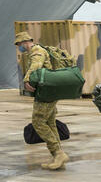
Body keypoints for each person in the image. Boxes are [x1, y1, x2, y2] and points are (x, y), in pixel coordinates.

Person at [18, 31, 68, 170]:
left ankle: (58, 153)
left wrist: (27, 78)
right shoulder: (38, 50)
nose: (19, 47)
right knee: (50, 122)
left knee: (38, 121)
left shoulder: (37, 51)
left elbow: (36, 65)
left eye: (19, 44)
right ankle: (57, 156)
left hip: (46, 92)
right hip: (49, 91)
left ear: (24, 42)